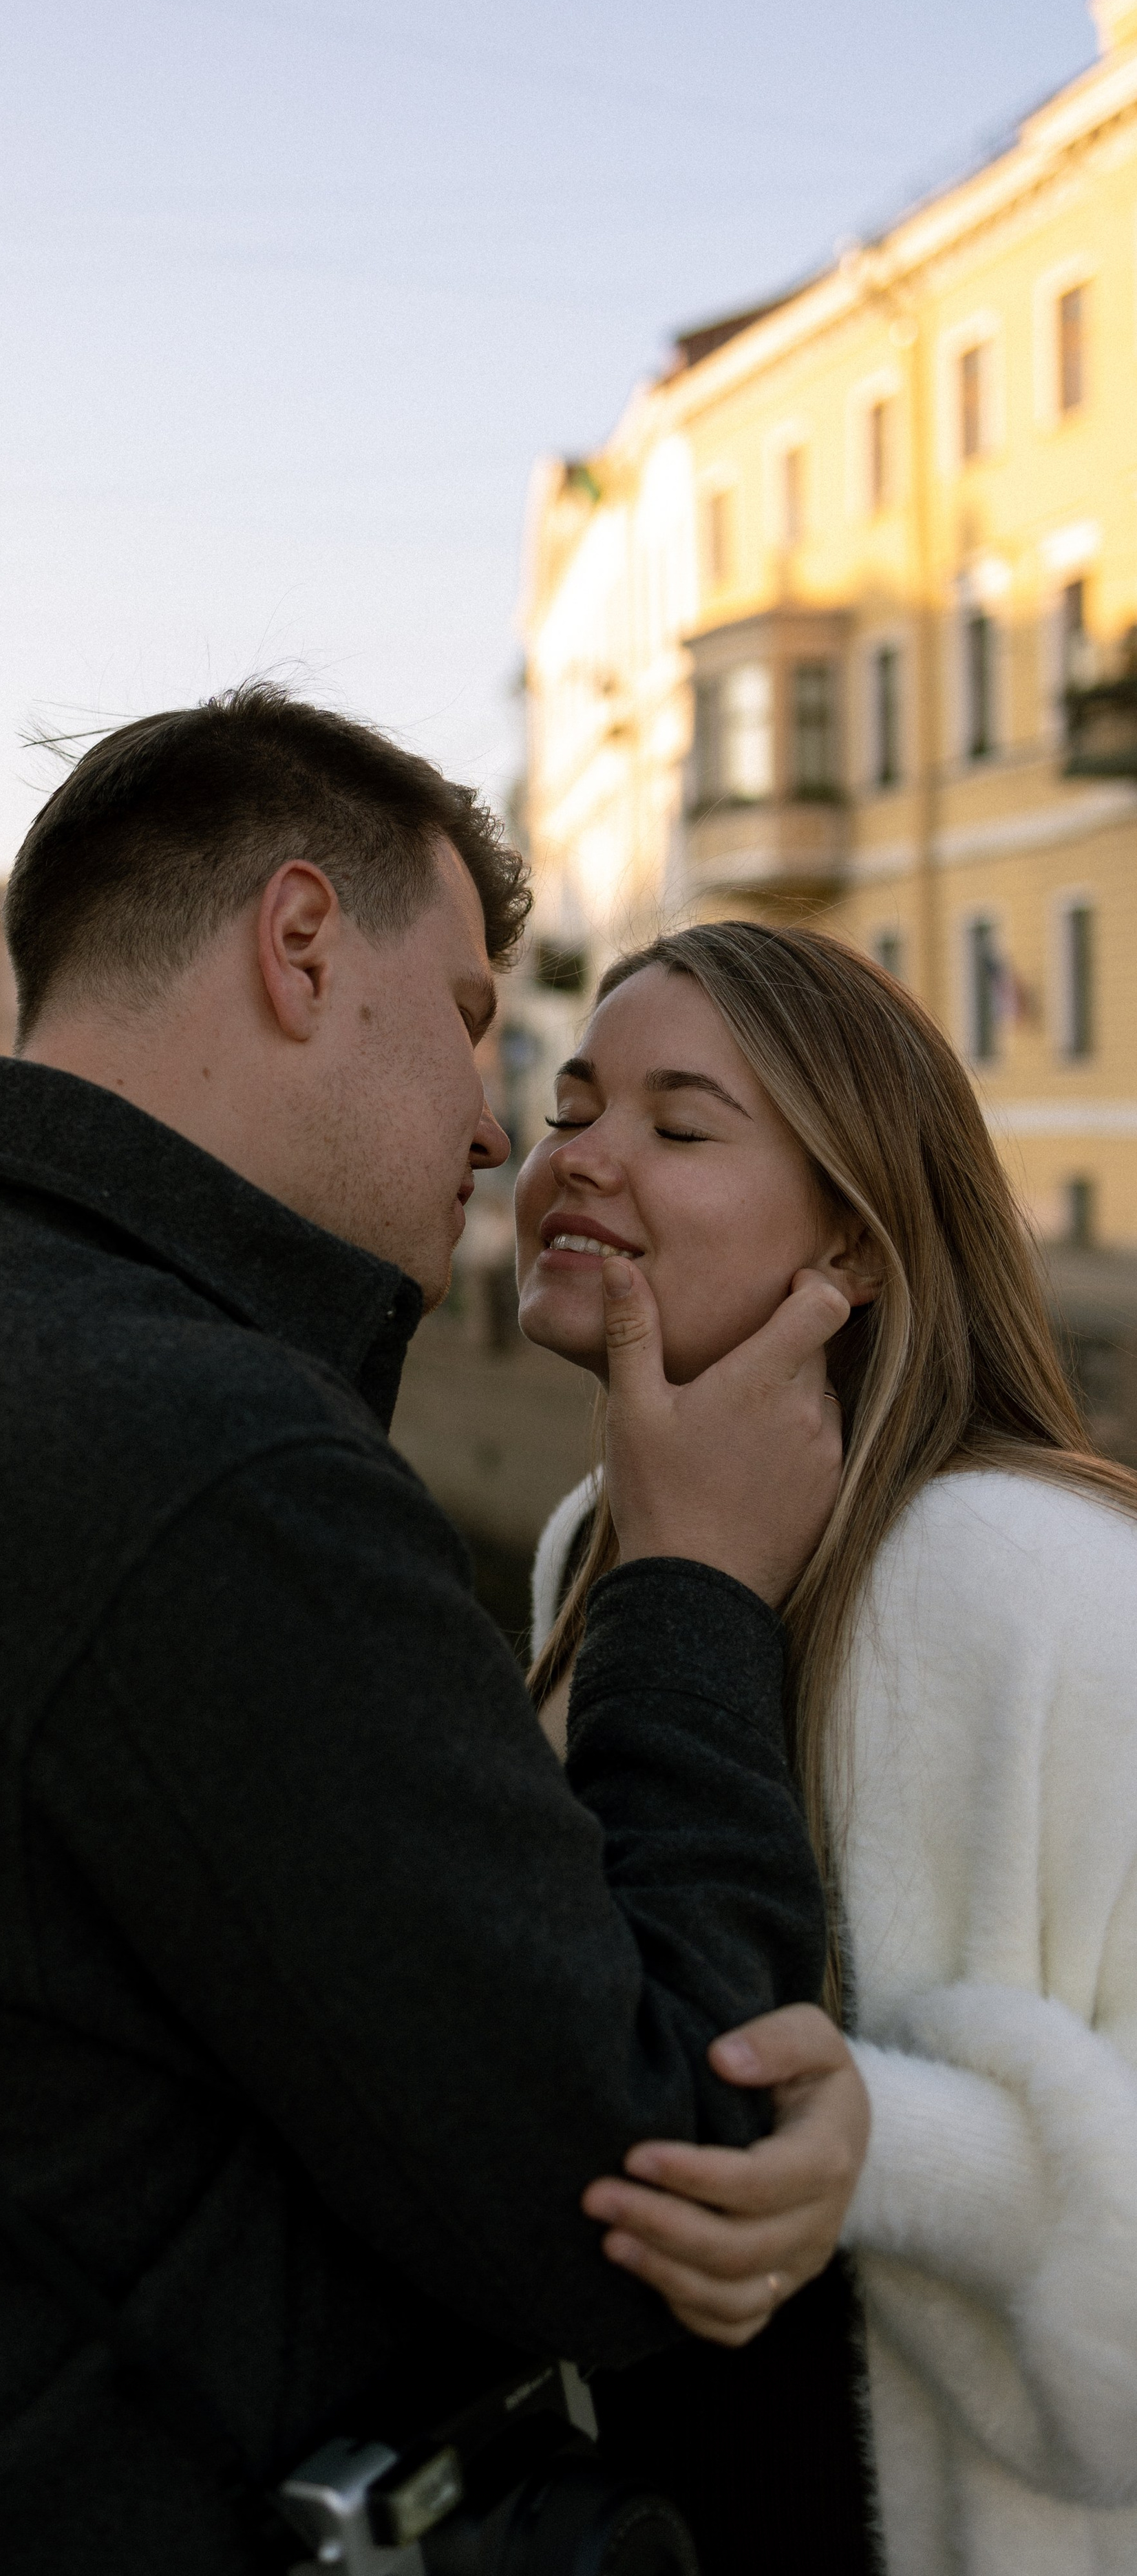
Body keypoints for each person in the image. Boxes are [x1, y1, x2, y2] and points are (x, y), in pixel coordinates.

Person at [0, 692, 868, 2576]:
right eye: (466, 1018)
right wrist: (696, 1577)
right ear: (300, 945)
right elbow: (661, 2171)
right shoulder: (194, 1447)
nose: (494, 1129)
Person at [521, 918, 1137, 2576]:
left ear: (851, 1242)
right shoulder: (599, 1541)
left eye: (675, 1124)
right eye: (570, 1108)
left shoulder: (1047, 1584)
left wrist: (890, 2146)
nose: (578, 1157)